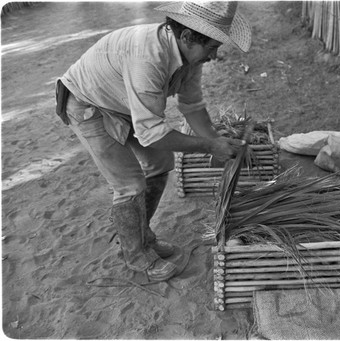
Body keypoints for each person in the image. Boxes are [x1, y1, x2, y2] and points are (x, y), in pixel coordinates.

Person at [55, 2, 252, 281]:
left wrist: (217, 140)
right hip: (88, 105)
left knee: (159, 162)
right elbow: (150, 132)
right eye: (212, 47)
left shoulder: (190, 57)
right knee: (130, 184)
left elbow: (192, 105)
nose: (215, 55)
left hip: (124, 104)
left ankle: (141, 235)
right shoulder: (147, 58)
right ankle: (135, 256)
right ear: (187, 37)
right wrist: (209, 147)